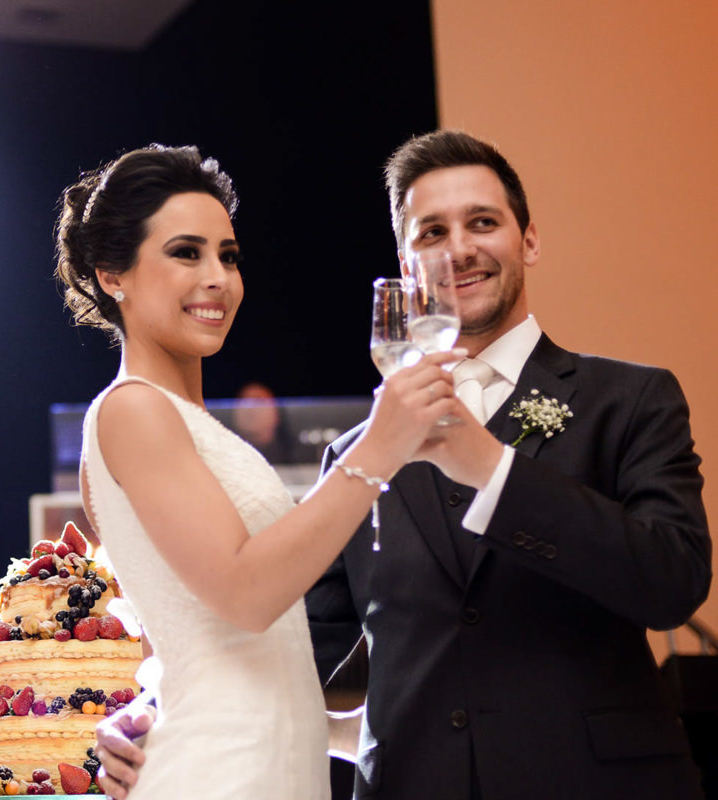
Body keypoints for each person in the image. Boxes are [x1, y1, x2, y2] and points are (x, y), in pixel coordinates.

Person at [95, 130, 711, 800]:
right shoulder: (356, 455)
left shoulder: (629, 400)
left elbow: (672, 585)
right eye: (432, 232)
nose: (460, 249)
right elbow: (281, 647)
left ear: (529, 240)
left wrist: (492, 469)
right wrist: (155, 711)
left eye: (483, 222)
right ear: (405, 261)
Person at [56, 144, 461, 799]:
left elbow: (215, 650)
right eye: (186, 253)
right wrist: (380, 445)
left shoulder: (196, 431)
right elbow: (246, 595)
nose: (218, 277)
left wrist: (356, 729)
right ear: (111, 275)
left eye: (228, 255)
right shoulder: (131, 411)